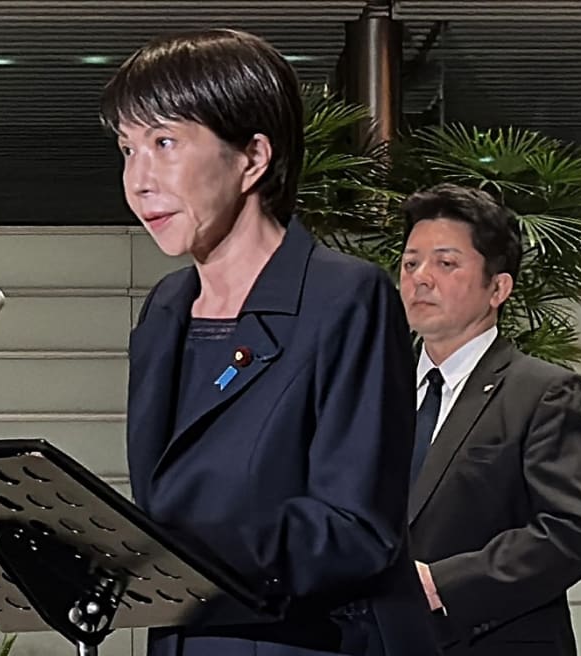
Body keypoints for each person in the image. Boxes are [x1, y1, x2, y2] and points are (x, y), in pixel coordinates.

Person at [100, 28, 438, 656]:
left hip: (310, 641)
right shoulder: (165, 311)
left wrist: (156, 553)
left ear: (252, 158)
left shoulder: (346, 297)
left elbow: (355, 526)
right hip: (188, 638)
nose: (138, 179)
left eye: (164, 142)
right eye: (127, 149)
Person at [398, 183, 581, 655]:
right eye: (411, 262)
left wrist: (442, 584)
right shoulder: (374, 392)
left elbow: (574, 530)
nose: (421, 278)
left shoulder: (544, 392)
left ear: (499, 288)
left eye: (445, 263)